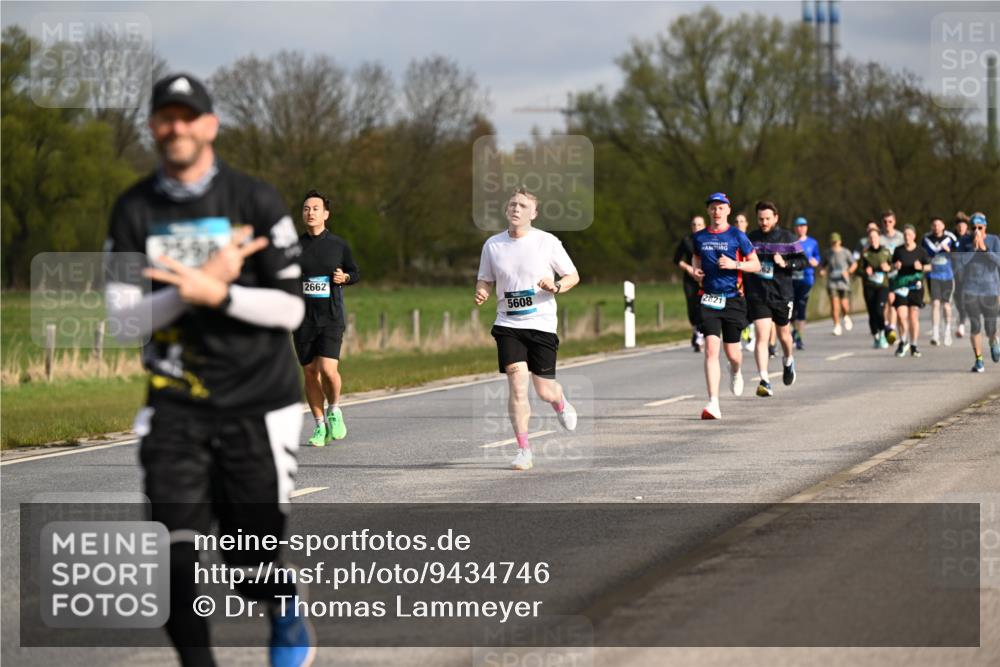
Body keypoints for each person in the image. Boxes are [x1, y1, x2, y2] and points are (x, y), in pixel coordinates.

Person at [104, 74, 314, 667]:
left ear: (210, 126)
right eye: (165, 117)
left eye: (188, 116)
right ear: (153, 127)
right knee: (170, 560)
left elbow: (291, 308)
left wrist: (220, 295)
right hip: (176, 405)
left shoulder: (255, 200)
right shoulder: (134, 209)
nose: (176, 127)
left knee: (250, 565)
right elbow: (123, 321)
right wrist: (191, 292)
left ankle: (283, 604)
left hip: (258, 403)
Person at [475, 187, 580, 471]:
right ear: (507, 210)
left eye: (522, 205)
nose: (516, 209)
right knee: (517, 382)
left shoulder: (547, 242)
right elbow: (485, 279)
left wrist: (556, 286)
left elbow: (573, 275)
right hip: (508, 324)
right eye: (512, 204)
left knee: (544, 390)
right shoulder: (493, 245)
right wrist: (482, 292)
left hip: (541, 324)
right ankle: (524, 449)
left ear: (533, 213)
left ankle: (560, 402)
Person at [294, 189, 361, 446]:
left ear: (326, 214)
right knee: (310, 371)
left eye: (315, 209)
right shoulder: (294, 246)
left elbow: (355, 272)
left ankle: (334, 409)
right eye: (306, 209)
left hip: (331, 315)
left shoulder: (338, 245)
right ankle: (319, 426)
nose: (310, 213)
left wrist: (345, 278)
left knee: (327, 369)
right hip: (302, 318)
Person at [691, 192, 761, 419]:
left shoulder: (737, 236)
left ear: (728, 210)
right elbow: (696, 259)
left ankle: (736, 370)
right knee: (711, 349)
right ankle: (713, 403)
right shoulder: (700, 237)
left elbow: (756, 265)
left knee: (733, 353)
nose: (716, 212)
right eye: (713, 208)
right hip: (708, 297)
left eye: (721, 208)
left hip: (733, 298)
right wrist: (696, 272)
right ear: (708, 211)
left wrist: (734, 264)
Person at [744, 201, 806, 397]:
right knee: (762, 337)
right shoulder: (750, 238)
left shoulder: (788, 237)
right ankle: (764, 380)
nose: (764, 222)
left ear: (776, 218)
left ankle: (788, 360)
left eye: (767, 219)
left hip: (782, 294)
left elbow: (803, 261)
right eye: (760, 219)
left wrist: (786, 263)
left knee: (784, 336)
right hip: (758, 294)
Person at [952, 212, 1000, 372]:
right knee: (975, 326)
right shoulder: (964, 242)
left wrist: (985, 249)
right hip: (970, 289)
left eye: (980, 227)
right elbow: (959, 264)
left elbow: (998, 262)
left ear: (985, 226)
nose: (977, 231)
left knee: (990, 328)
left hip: (990, 289)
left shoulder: (994, 240)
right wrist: (973, 248)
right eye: (974, 228)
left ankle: (994, 341)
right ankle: (979, 360)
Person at [890, 224, 931, 357]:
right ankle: (903, 341)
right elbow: (891, 266)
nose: (907, 237)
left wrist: (921, 267)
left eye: (909, 234)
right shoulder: (898, 250)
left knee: (913, 315)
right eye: (905, 235)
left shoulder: (921, 251)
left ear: (914, 236)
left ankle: (914, 345)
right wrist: (895, 266)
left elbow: (930, 266)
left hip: (915, 286)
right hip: (901, 285)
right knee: (901, 316)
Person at [922, 216, 957, 346]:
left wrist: (949, 251)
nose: (936, 227)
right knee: (935, 304)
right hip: (933, 276)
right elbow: (922, 255)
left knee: (946, 305)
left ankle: (947, 331)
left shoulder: (950, 237)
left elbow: (959, 253)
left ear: (943, 226)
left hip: (947, 275)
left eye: (938, 225)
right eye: (934, 225)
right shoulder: (926, 239)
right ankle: (935, 334)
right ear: (931, 227)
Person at [674, 215, 706, 352]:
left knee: (703, 305)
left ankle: (700, 335)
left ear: (704, 226)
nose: (696, 227)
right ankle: (696, 331)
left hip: (705, 278)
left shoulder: (709, 239)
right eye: (694, 225)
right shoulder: (686, 240)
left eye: (699, 225)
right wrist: (688, 269)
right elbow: (676, 259)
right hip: (690, 279)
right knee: (692, 307)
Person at [858, 226, 892, 348]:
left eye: (875, 237)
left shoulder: (886, 252)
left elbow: (893, 266)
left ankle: (882, 334)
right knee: (872, 312)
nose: (873, 239)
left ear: (879, 238)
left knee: (879, 310)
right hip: (869, 286)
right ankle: (875, 335)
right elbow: (858, 270)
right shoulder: (866, 253)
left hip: (883, 286)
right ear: (868, 239)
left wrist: (888, 268)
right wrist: (865, 271)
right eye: (871, 237)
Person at [791, 216, 821, 350]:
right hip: (791, 280)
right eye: (798, 226)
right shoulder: (791, 241)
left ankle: (799, 337)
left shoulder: (812, 242)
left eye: (803, 226)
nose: (801, 228)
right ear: (795, 228)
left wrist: (816, 261)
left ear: (806, 227)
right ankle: (794, 330)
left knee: (801, 308)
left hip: (807, 279)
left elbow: (817, 256)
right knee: (791, 310)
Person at [821, 233, 856, 335]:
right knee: (834, 305)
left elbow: (854, 264)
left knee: (844, 305)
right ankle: (837, 325)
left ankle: (846, 316)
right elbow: (822, 265)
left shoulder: (846, 252)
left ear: (840, 242)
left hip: (844, 282)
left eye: (836, 242)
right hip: (832, 282)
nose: (834, 244)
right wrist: (822, 271)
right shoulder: (827, 253)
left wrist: (848, 271)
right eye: (832, 242)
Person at [880, 210, 905, 343]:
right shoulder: (879, 238)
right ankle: (887, 326)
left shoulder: (900, 237)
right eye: (885, 222)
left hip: (897, 274)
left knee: (892, 300)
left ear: (894, 222)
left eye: (890, 221)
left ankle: (891, 328)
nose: (887, 224)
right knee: (885, 303)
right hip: (882, 275)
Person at [952, 211, 973, 339]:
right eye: (959, 226)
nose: (961, 228)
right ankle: (962, 317)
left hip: (969, 273)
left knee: (965, 298)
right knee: (958, 298)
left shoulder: (971, 238)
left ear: (967, 227)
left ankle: (961, 323)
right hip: (955, 272)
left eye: (963, 226)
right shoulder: (952, 238)